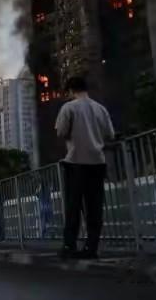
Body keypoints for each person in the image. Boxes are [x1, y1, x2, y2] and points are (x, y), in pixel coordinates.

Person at [55, 76, 115, 260]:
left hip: (76, 162)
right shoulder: (100, 109)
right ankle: (92, 247)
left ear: (71, 90)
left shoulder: (69, 108)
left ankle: (69, 246)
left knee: (73, 206)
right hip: (97, 162)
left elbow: (61, 132)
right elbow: (110, 134)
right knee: (94, 207)